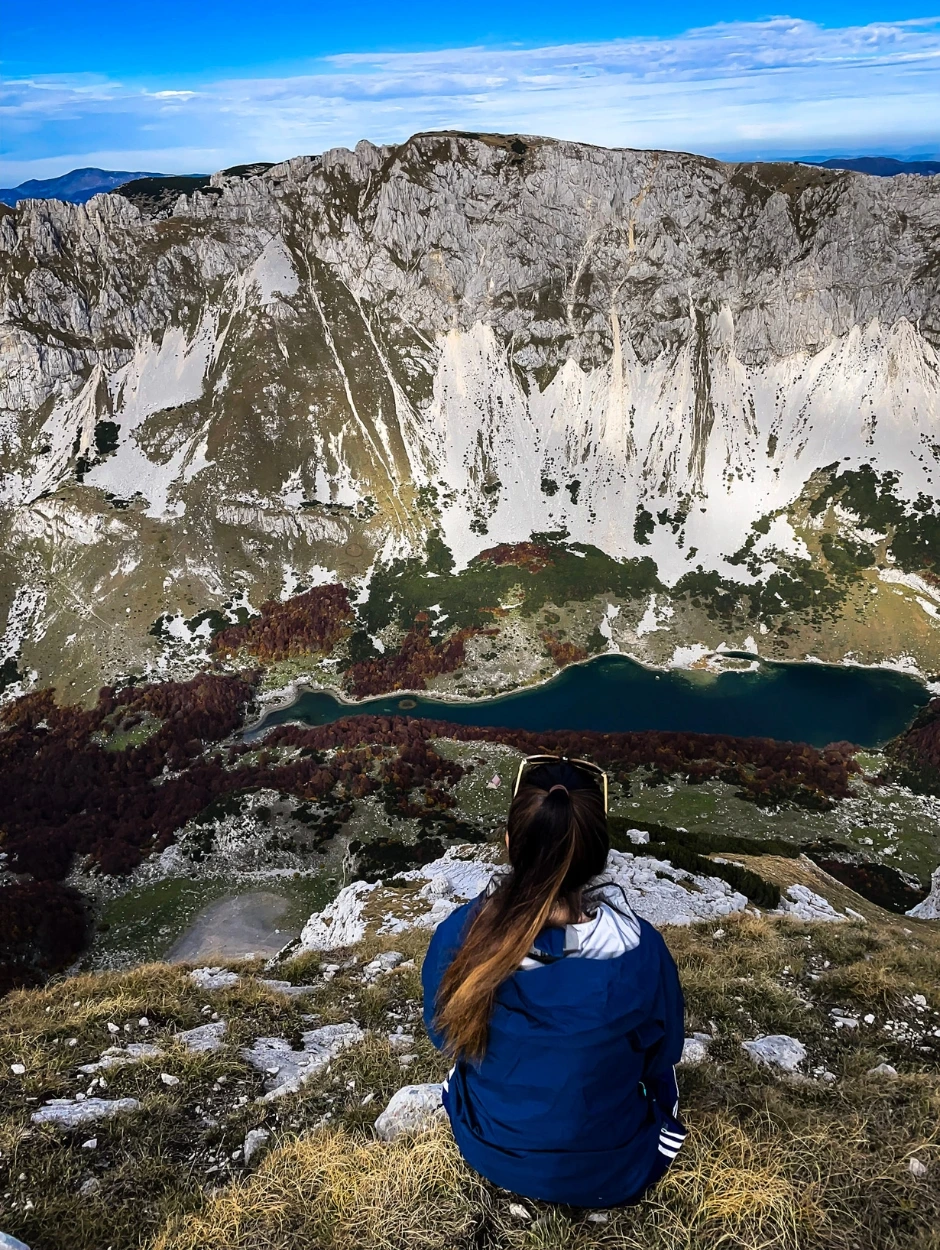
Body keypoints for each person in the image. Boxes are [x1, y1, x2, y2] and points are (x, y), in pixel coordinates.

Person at [421, 754, 686, 1208]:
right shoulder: (642, 952)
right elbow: (663, 1054)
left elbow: (443, 1032)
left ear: (509, 844)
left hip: (490, 1150)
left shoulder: (460, 939)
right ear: (597, 858)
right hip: (613, 1167)